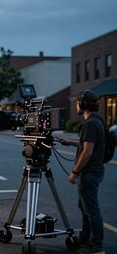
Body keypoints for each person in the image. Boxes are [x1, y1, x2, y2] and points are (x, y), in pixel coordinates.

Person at [60, 90, 105, 254]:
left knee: (91, 209)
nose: (76, 106)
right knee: (85, 207)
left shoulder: (90, 124)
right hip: (94, 171)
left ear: (83, 105)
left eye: (78, 103)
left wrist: (74, 172)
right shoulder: (97, 120)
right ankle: (85, 239)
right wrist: (70, 142)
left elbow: (87, 152)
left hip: (89, 173)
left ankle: (96, 245)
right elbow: (86, 144)